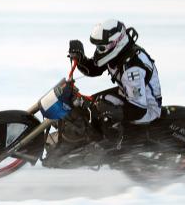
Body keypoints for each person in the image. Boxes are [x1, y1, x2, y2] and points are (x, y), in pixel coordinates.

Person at [67, 19, 162, 149]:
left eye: (101, 47)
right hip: (129, 96)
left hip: (147, 108)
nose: (98, 51)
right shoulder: (116, 52)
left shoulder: (132, 68)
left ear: (116, 43)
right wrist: (80, 58)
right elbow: (95, 69)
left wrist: (110, 115)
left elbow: (138, 109)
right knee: (90, 105)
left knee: (101, 111)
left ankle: (112, 151)